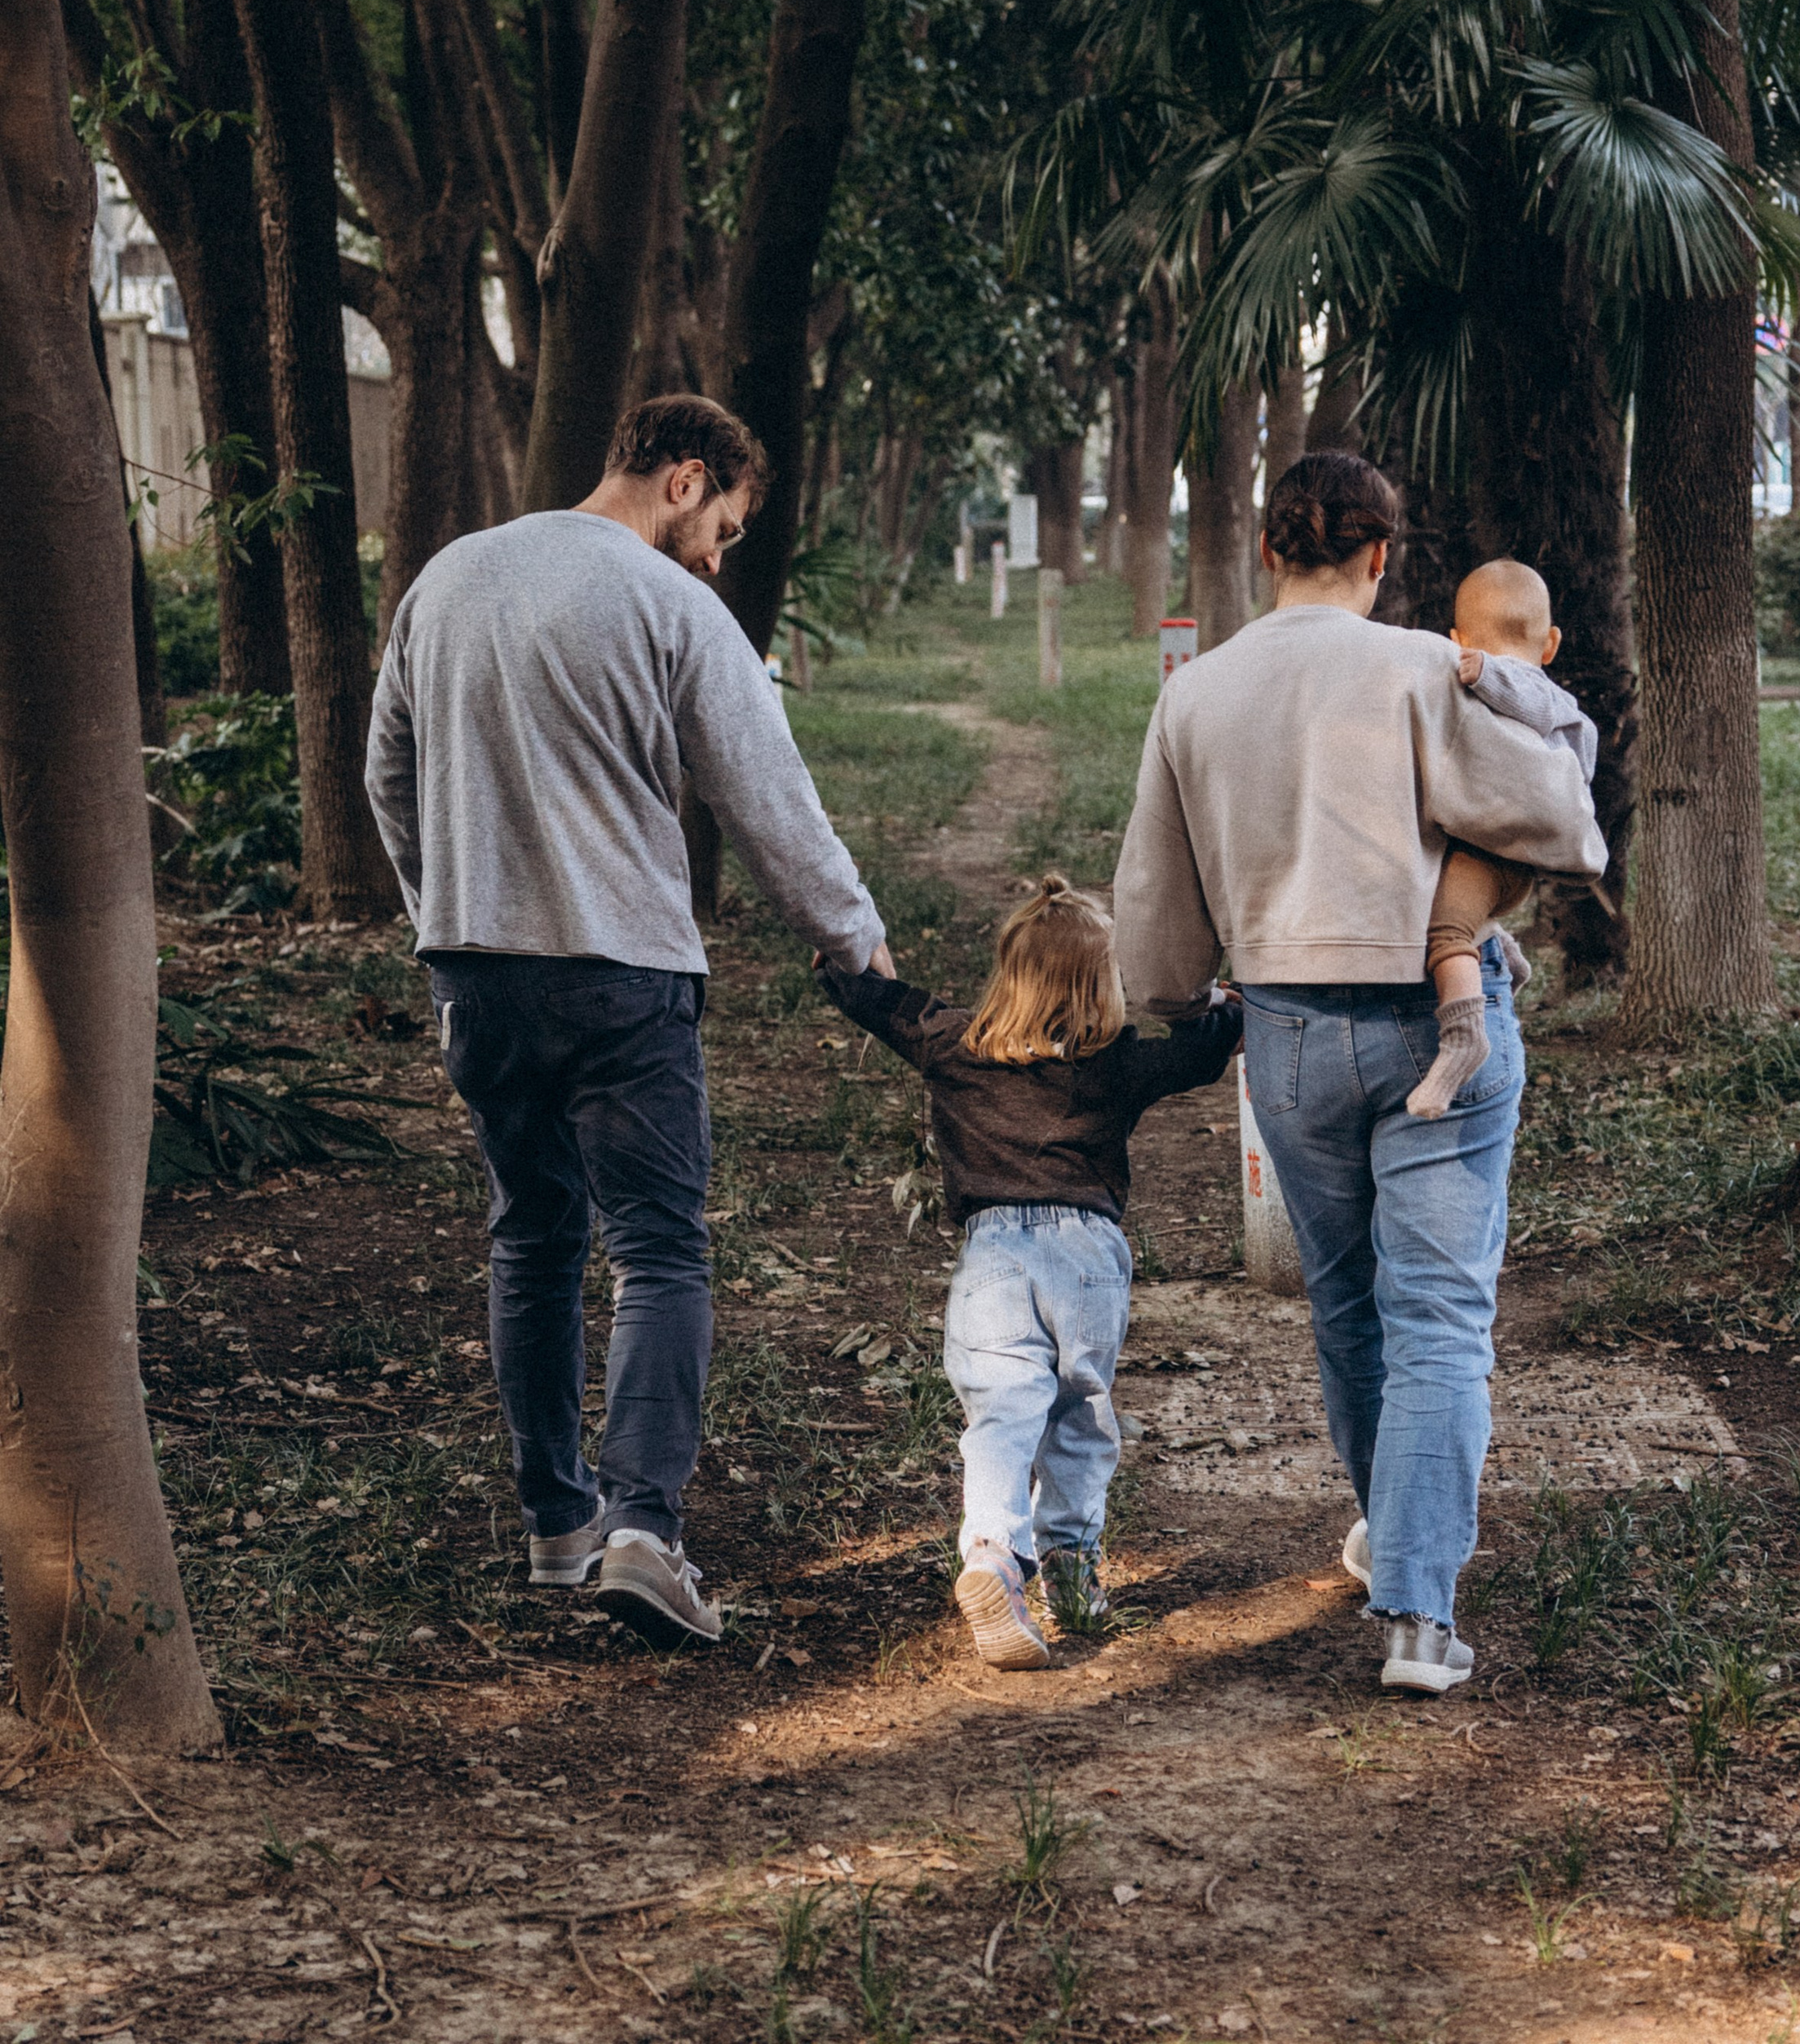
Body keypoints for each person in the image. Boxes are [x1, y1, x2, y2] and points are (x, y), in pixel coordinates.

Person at [365, 392, 892, 1655]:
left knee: (533, 1235)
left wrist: (442, 911)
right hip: (622, 978)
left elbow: (385, 773)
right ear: (683, 477)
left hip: (477, 972)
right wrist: (853, 936)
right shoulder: (670, 605)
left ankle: (557, 1523)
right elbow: (764, 788)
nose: (720, 554)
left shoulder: (449, 578)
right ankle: (643, 1528)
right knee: (659, 1248)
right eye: (725, 525)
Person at [1110, 452, 1605, 1699]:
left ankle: (1398, 1531)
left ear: (1271, 550)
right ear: (1382, 558)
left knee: (1348, 1311)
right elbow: (1565, 818)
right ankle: (1419, 1617)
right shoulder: (1424, 669)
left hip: (1282, 1034)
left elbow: (1158, 929)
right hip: (1427, 1018)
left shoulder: (1198, 692)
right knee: (1440, 1318)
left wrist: (1174, 1003)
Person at [818, 877, 1241, 1671]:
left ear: (1006, 976)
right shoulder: (1112, 1063)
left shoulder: (953, 1042)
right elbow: (1195, 1053)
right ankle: (1073, 1581)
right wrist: (1231, 1011)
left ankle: (990, 1553)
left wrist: (838, 961)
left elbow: (882, 1001)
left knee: (1002, 1414)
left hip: (992, 1258)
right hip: (1083, 1258)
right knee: (1079, 1418)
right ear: (1101, 984)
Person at [1417, 558, 1599, 1118]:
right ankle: (1507, 959)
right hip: (1502, 863)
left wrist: (1485, 672)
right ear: (1552, 641)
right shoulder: (1548, 691)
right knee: (1468, 922)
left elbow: (1531, 699)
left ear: (1457, 640)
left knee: (1445, 931)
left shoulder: (1525, 688)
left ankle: (1465, 1037)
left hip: (1488, 857)